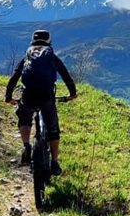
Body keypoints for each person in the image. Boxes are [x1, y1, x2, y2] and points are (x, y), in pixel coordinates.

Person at [5, 30, 77, 175]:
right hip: (46, 95)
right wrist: (72, 93)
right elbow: (65, 75)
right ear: (49, 41)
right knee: (53, 128)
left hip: (28, 94)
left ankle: (27, 146)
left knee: (24, 118)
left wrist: (8, 97)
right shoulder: (51, 56)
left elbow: (15, 77)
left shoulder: (28, 55)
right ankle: (54, 162)